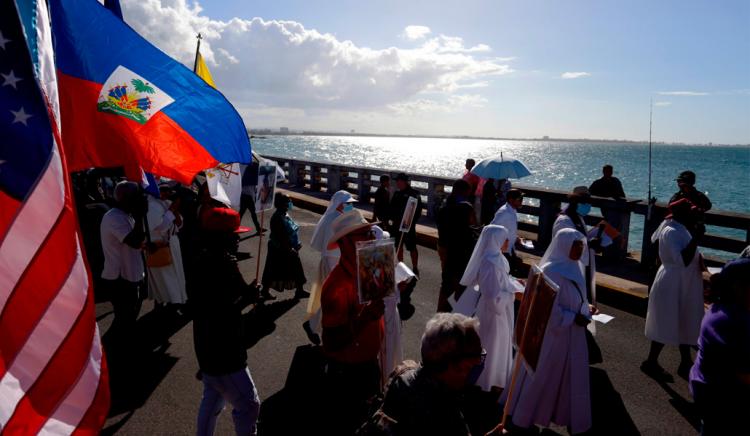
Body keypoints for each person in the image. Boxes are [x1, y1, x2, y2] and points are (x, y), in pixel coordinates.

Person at [504, 228, 593, 435]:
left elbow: (575, 297)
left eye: (581, 245)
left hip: (571, 334)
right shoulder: (552, 270)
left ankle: (556, 415)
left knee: (563, 381)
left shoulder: (575, 268)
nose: (580, 249)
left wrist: (585, 308)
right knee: (543, 378)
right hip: (553, 338)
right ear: (564, 245)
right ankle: (525, 417)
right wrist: (573, 317)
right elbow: (546, 308)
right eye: (576, 245)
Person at [193, 206, 260, 436]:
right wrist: (248, 297)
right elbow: (222, 311)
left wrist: (246, 294)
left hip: (206, 346)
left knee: (212, 399)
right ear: (221, 237)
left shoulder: (201, 258)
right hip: (225, 351)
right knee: (249, 406)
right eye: (234, 235)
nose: (238, 239)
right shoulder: (222, 264)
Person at [362, 313, 484, 436]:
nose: (479, 360)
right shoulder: (443, 413)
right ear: (450, 363)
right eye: (474, 357)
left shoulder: (403, 372)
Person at [321, 209, 385, 435]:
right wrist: (366, 317)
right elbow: (331, 341)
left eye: (369, 233)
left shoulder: (366, 270)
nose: (371, 239)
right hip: (348, 374)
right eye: (364, 234)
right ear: (345, 242)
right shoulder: (336, 284)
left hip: (369, 364)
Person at [643, 198, 705, 380]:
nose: (693, 214)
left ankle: (685, 362)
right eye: (690, 211)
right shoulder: (670, 231)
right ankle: (651, 362)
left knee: (684, 319)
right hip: (672, 281)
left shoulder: (682, 228)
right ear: (681, 214)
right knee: (666, 321)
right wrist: (696, 238)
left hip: (685, 280)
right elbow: (682, 260)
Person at [689, 258, 750, 435]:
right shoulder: (731, 320)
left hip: (710, 393)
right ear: (740, 288)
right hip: (724, 400)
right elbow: (744, 372)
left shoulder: (720, 309)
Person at [459, 225, 517, 394]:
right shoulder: (490, 263)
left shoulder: (498, 258)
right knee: (492, 344)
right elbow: (493, 298)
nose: (507, 241)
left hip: (500, 311)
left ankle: (493, 380)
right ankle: (485, 382)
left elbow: (502, 283)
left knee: (497, 344)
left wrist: (513, 284)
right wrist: (513, 293)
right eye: (505, 238)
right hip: (493, 313)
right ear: (496, 240)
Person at [305, 190, 357, 344]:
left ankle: (316, 325)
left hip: (336, 262)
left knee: (330, 298)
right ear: (339, 204)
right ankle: (320, 327)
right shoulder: (334, 220)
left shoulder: (338, 217)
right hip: (332, 263)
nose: (350, 206)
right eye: (348, 204)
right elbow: (333, 245)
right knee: (331, 298)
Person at [100, 181, 147, 346]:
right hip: (120, 279)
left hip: (131, 275)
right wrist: (140, 215)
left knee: (128, 319)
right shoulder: (113, 217)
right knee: (123, 320)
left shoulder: (127, 215)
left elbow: (138, 242)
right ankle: (112, 355)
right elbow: (134, 241)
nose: (139, 201)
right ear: (124, 198)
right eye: (136, 197)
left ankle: (120, 351)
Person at [436, 179, 477, 312]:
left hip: (444, 247)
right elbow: (472, 225)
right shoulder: (465, 207)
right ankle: (457, 313)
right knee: (460, 284)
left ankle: (440, 313)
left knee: (446, 283)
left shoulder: (444, 207)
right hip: (460, 251)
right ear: (463, 192)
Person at [146, 184, 188, 310]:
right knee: (164, 276)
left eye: (168, 190)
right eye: (163, 190)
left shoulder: (165, 202)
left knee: (174, 275)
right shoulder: (151, 205)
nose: (167, 193)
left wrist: (174, 209)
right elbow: (160, 227)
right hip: (159, 245)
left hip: (172, 243)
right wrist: (171, 210)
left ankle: (173, 302)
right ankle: (163, 303)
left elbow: (179, 224)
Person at [261, 193, 307, 300]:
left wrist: (296, 243)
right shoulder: (277, 217)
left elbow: (291, 231)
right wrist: (289, 248)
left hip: (290, 247)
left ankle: (300, 290)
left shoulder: (284, 214)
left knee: (296, 269)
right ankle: (264, 291)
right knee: (273, 270)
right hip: (279, 248)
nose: (290, 203)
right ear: (281, 203)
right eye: (288, 201)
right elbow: (281, 236)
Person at [390, 173, 423, 276]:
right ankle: (401, 267)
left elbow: (418, 210)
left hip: (408, 226)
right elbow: (391, 207)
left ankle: (415, 267)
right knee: (398, 247)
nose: (397, 183)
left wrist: (410, 223)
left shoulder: (414, 194)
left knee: (412, 247)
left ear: (404, 181)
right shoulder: (397, 193)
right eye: (396, 181)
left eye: (398, 181)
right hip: (396, 226)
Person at [491, 189, 525, 275]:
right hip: (502, 250)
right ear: (511, 200)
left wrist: (516, 238)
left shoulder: (512, 210)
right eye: (520, 199)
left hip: (509, 248)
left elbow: (509, 228)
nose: (521, 202)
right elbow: (492, 229)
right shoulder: (504, 212)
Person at [239, 162, 263, 236]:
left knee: (241, 214)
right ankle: (258, 229)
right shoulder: (252, 177)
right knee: (252, 214)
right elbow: (253, 191)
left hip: (244, 196)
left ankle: (258, 229)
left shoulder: (246, 175)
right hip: (248, 197)